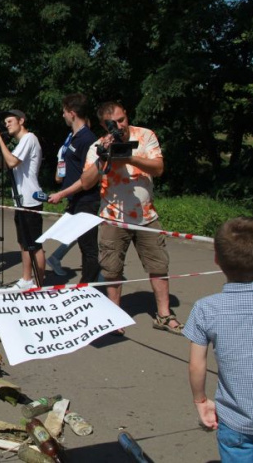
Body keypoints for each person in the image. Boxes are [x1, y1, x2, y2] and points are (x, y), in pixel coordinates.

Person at [183, 217, 253, 461]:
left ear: (217, 260)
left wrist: (201, 400)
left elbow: (197, 364)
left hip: (233, 419)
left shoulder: (206, 308)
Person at [80, 101, 180, 335]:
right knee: (112, 268)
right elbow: (86, 182)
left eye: (122, 119)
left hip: (146, 215)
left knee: (158, 265)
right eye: (113, 123)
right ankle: (115, 317)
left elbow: (158, 168)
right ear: (104, 125)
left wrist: (129, 158)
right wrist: (103, 156)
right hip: (113, 217)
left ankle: (164, 315)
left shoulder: (145, 135)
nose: (120, 126)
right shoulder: (98, 145)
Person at [47, 94, 100, 283]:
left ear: (72, 113)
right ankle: (95, 282)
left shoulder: (88, 139)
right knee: (79, 242)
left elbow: (89, 179)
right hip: (75, 200)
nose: (62, 116)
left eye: (64, 112)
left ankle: (89, 287)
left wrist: (61, 193)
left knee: (88, 247)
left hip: (87, 200)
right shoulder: (73, 137)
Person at [0, 110, 45, 289]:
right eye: (5, 122)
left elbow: (12, 162)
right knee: (24, 243)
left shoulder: (29, 138)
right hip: (22, 200)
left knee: (34, 244)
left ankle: (38, 283)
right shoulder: (22, 142)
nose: (7, 124)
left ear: (21, 120)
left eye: (10, 121)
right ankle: (26, 278)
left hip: (30, 199)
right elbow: (6, 162)